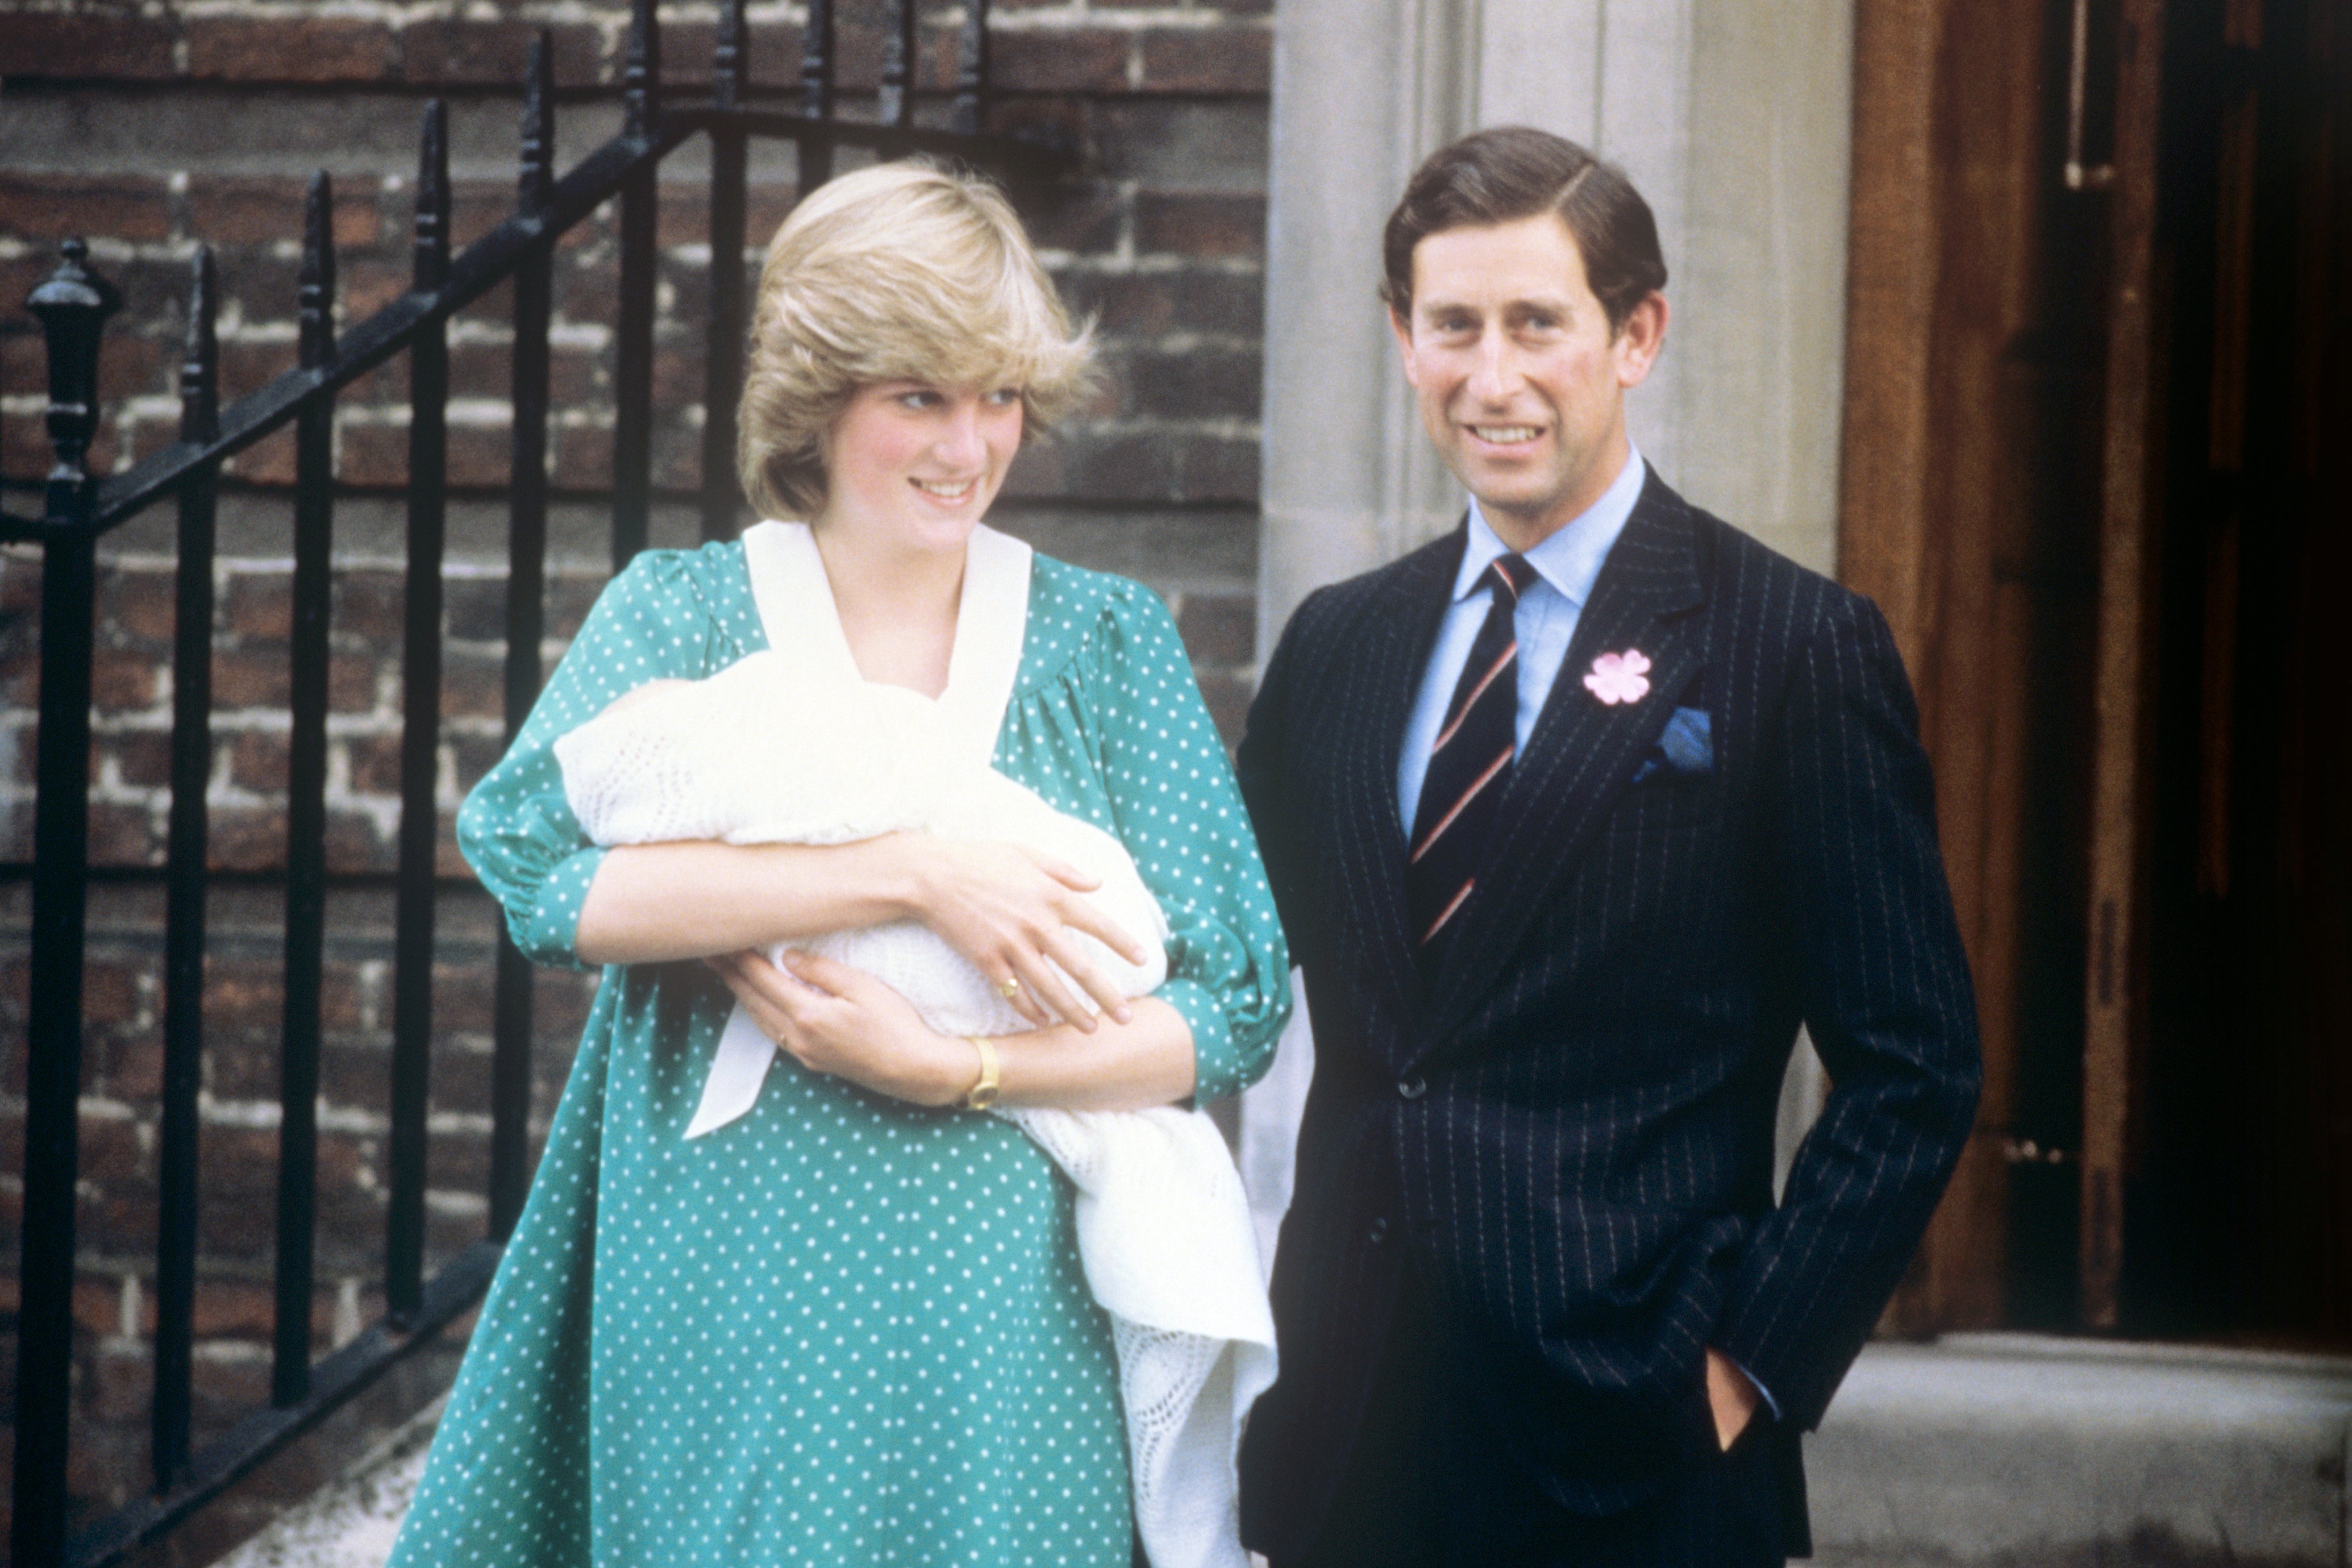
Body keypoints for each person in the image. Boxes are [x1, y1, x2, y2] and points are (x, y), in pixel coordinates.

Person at [385, 158, 1290, 1568]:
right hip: (732, 1273)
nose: (967, 444)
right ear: (819, 397)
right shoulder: (686, 617)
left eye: (997, 396)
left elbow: (1231, 1003)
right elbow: (542, 879)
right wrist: (913, 873)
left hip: (1012, 1309)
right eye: (917, 395)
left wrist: (961, 1069)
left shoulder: (1101, 643)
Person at [1233, 126, 1981, 1567]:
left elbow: (1914, 1064)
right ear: (1401, 337)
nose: (1490, 376)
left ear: (1635, 333)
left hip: (1637, 1443)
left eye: (1537, 324)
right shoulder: (1338, 643)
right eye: (1451, 325)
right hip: (1349, 1431)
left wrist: (1745, 1366)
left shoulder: (1789, 646)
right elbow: (1217, 958)